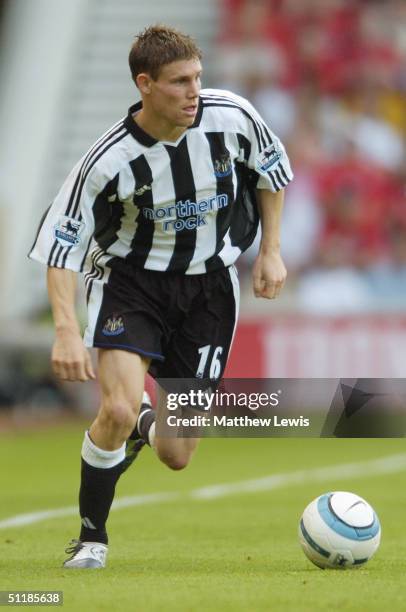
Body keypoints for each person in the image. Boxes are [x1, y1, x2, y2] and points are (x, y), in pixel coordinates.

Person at [29, 25, 293, 569]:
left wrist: (271, 249)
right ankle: (92, 539)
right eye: (179, 82)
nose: (195, 91)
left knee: (176, 454)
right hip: (133, 284)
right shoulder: (107, 162)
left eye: (197, 77)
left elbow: (271, 170)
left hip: (211, 289)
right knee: (118, 408)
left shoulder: (232, 116)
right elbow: (60, 248)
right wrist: (64, 331)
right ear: (145, 84)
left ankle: (148, 425)